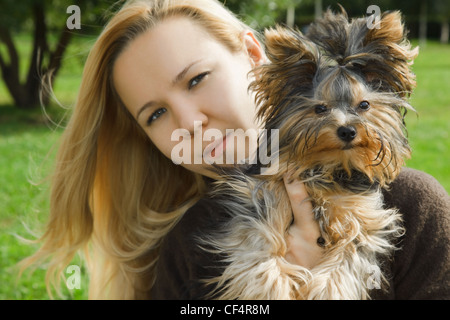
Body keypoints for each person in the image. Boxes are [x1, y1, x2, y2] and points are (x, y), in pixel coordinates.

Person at [21, 0, 449, 300]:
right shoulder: (188, 245)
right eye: (156, 115)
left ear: (252, 55)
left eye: (196, 79)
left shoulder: (414, 206)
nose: (190, 123)